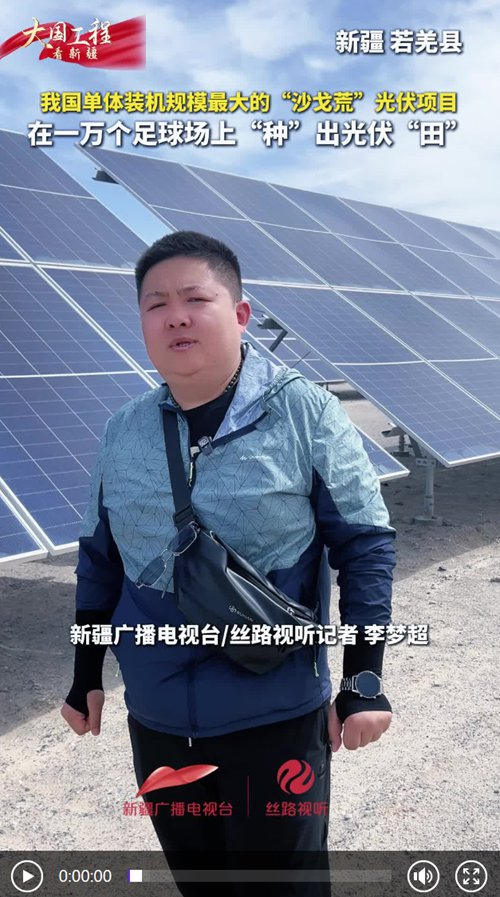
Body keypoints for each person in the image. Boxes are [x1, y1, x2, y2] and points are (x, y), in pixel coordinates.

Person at [61, 230, 395, 896]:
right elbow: (101, 558)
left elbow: (364, 543)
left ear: (239, 313)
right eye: (156, 304)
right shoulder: (123, 428)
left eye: (195, 298)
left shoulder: (303, 411)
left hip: (273, 719)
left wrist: (364, 679)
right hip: (157, 721)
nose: (175, 317)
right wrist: (84, 674)